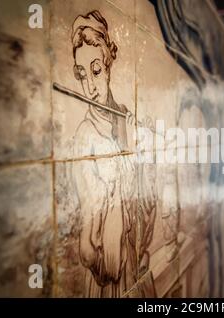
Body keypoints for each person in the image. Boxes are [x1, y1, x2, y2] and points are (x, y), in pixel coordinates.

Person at [70, 10, 142, 297]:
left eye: (96, 70)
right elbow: (87, 250)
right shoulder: (85, 137)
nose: (89, 86)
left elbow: (140, 198)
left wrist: (135, 146)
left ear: (109, 64)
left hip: (132, 266)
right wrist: (106, 257)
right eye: (81, 74)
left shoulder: (125, 117)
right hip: (108, 281)